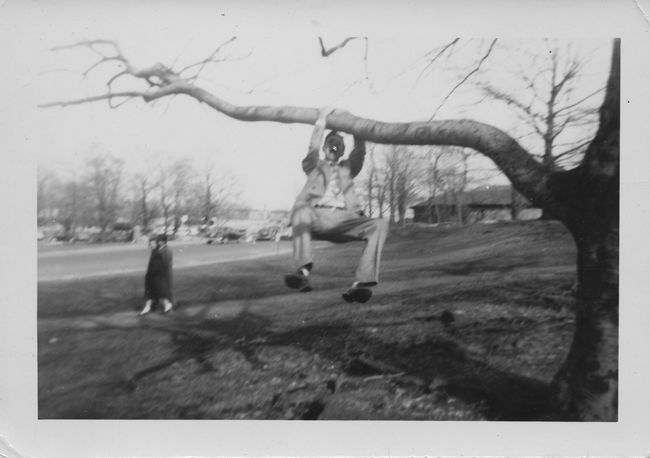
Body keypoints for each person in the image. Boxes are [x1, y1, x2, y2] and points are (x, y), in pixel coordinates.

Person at [284, 107, 389, 303]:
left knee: (380, 224)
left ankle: (362, 283)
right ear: (324, 148)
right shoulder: (313, 166)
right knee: (300, 210)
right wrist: (322, 121)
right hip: (317, 218)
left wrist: (353, 122)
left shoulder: (348, 168)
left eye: (338, 145)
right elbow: (312, 148)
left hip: (346, 221)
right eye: (330, 144)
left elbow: (360, 151)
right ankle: (302, 271)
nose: (334, 147)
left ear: (342, 150)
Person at [139, 233, 174, 315]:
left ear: (162, 242)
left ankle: (167, 305)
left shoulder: (167, 251)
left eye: (158, 241)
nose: (157, 242)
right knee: (151, 292)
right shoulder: (156, 250)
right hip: (153, 275)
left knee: (161, 291)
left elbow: (165, 264)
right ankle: (148, 307)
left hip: (161, 275)